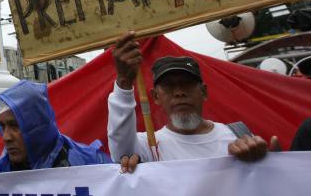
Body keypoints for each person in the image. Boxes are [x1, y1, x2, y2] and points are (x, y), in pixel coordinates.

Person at [107, 31, 278, 171]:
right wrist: (123, 80)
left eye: (187, 85)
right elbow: (121, 152)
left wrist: (269, 162)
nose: (179, 92)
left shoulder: (239, 138)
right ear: (156, 97)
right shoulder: (148, 147)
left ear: (203, 92)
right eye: (169, 86)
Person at [0, 80, 112, 174]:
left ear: (37, 127)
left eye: (15, 125)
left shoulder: (91, 164)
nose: (6, 137)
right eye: (2, 126)